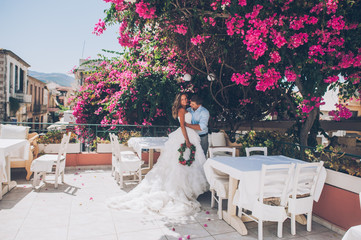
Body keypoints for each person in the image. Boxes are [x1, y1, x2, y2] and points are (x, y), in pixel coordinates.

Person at [107, 93, 209, 218]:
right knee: (179, 163)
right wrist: (187, 140)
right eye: (182, 99)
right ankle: (181, 189)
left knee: (189, 161)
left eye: (186, 98)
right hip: (185, 135)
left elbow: (195, 125)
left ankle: (191, 189)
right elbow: (182, 125)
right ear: (179, 100)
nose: (185, 100)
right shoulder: (182, 110)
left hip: (191, 134)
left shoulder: (189, 110)